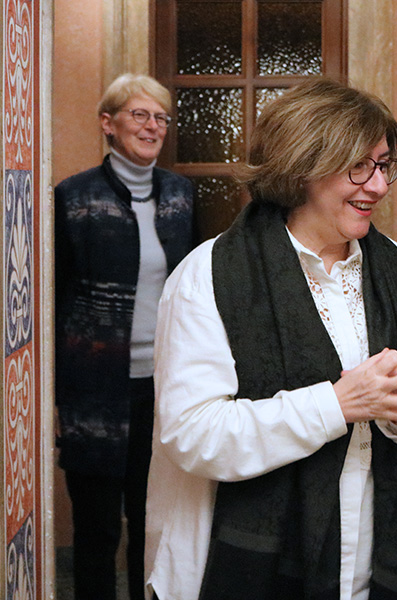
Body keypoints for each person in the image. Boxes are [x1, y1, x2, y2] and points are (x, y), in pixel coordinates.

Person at [144, 78, 397, 600]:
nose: (377, 185)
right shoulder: (209, 275)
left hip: (373, 558)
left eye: (385, 165)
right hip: (243, 561)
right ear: (302, 164)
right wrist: (335, 404)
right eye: (359, 166)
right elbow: (190, 432)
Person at [54, 73, 194, 600]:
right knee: (96, 528)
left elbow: (192, 289)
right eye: (139, 115)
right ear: (107, 124)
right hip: (91, 388)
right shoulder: (72, 196)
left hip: (163, 386)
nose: (152, 126)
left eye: (160, 117)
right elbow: (52, 296)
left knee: (150, 519)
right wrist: (49, 399)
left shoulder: (182, 194)